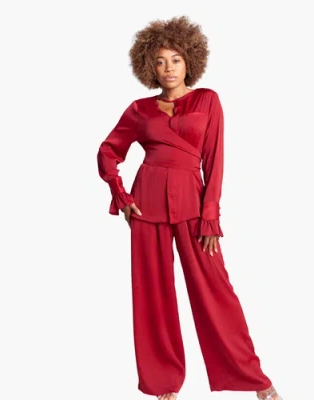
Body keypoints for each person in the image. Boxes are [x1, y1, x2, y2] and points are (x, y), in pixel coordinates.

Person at [96, 15, 283, 400]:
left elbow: (214, 162)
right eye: (160, 61)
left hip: (194, 207)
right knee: (152, 293)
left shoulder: (207, 100)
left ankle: (253, 378)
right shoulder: (138, 109)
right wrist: (122, 197)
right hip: (147, 205)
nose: (168, 68)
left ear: (189, 61)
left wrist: (210, 216)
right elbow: (108, 151)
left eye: (176, 60)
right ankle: (163, 382)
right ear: (149, 66)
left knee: (216, 291)